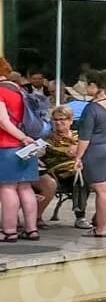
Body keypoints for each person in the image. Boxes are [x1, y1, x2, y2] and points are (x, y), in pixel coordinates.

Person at [0, 57, 44, 242]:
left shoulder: (1, 91)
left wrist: (21, 137)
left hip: (8, 146)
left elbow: (3, 121)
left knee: (8, 188)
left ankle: (9, 231)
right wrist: (28, 139)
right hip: (28, 147)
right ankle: (31, 229)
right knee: (25, 188)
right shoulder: (19, 89)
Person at [73, 82, 106, 236]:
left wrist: (78, 157)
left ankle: (100, 229)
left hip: (97, 150)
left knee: (102, 191)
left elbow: (85, 137)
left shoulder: (91, 108)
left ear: (94, 85)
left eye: (86, 84)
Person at [33, 105, 80, 223]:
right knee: (81, 177)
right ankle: (81, 216)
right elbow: (51, 151)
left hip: (78, 169)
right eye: (55, 120)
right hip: (58, 172)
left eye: (62, 119)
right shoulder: (48, 138)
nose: (58, 122)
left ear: (70, 120)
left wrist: (79, 150)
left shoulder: (79, 136)